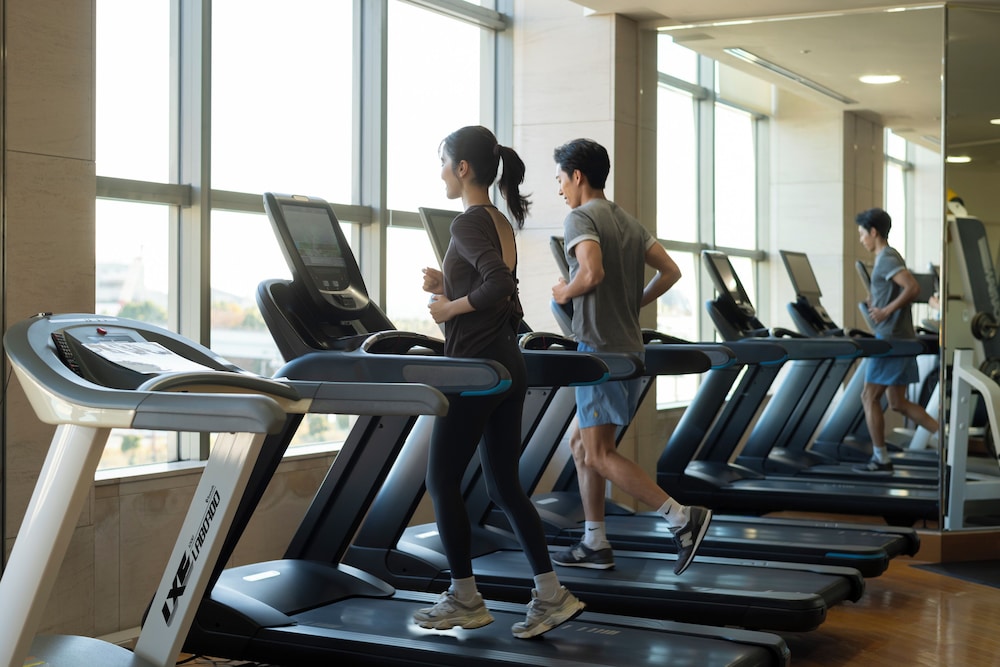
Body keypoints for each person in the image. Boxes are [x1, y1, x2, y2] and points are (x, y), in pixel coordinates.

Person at [413, 125, 585, 638]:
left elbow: (497, 287)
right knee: (506, 486)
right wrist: (449, 284)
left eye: (443, 161)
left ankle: (464, 598)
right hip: (508, 365)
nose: (441, 171)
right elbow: (502, 295)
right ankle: (551, 594)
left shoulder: (467, 222)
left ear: (462, 168)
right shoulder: (498, 221)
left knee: (441, 480)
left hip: (477, 370)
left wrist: (447, 307)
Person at [548, 138, 712, 576]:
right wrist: (632, 301)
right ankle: (594, 541)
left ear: (577, 176)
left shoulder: (580, 217)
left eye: (561, 179)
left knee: (598, 452)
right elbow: (671, 271)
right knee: (582, 445)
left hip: (599, 350)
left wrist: (565, 290)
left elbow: (592, 272)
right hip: (626, 347)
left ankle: (682, 518)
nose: (560, 189)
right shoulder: (627, 221)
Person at [853, 207, 940, 474]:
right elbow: (898, 290)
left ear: (874, 232)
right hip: (897, 338)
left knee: (868, 396)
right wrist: (877, 301)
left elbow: (912, 287)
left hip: (891, 340)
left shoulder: (887, 257)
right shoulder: (886, 258)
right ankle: (947, 439)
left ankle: (880, 458)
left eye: (862, 234)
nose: (861, 239)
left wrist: (885, 310)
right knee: (897, 403)